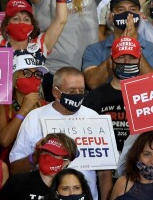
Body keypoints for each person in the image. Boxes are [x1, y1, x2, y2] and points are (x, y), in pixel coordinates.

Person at [10, 66, 99, 198]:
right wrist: (35, 157)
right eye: (71, 90)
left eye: (81, 91)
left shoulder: (94, 117)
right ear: (55, 92)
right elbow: (15, 168)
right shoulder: (35, 117)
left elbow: (105, 171)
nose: (77, 95)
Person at [82, 0, 153, 89]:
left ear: (139, 15)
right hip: (107, 103)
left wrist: (133, 47)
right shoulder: (93, 49)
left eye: (132, 9)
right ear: (111, 17)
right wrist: (120, 49)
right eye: (121, 9)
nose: (127, 14)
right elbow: (93, 84)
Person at [84, 36, 143, 154]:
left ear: (140, 61)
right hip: (103, 160)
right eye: (120, 57)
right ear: (111, 61)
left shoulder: (149, 96)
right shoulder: (93, 97)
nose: (126, 62)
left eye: (132, 58)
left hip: (139, 160)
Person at [0, 133, 78, 200]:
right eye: (45, 151)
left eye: (54, 153)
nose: (47, 156)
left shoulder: (74, 188)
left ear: (65, 162)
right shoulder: (18, 182)